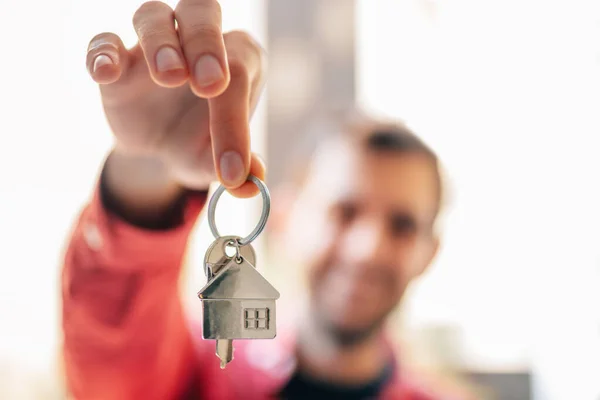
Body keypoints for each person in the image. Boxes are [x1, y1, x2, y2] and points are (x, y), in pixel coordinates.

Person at [61, 1, 470, 399]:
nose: (367, 248)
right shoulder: (201, 380)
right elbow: (114, 377)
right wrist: (148, 173)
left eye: (403, 226)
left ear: (430, 253)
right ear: (287, 217)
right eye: (344, 212)